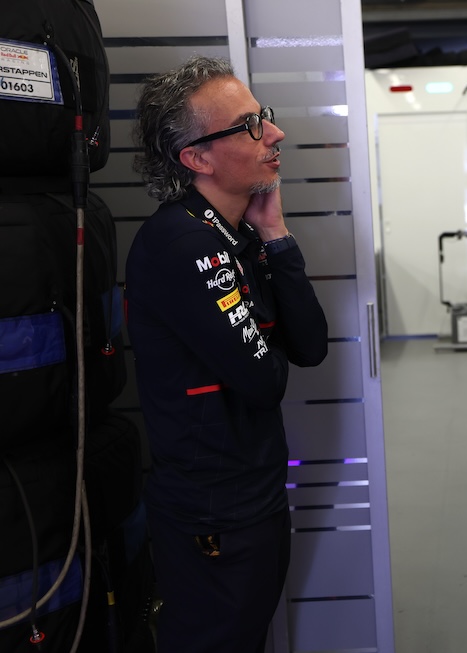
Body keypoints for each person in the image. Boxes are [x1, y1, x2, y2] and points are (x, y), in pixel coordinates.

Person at [125, 56, 328, 653]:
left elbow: (310, 348)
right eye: (250, 126)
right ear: (197, 158)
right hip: (214, 513)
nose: (275, 133)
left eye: (264, 116)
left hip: (252, 496)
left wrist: (276, 235)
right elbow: (266, 381)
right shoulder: (183, 242)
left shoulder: (237, 232)